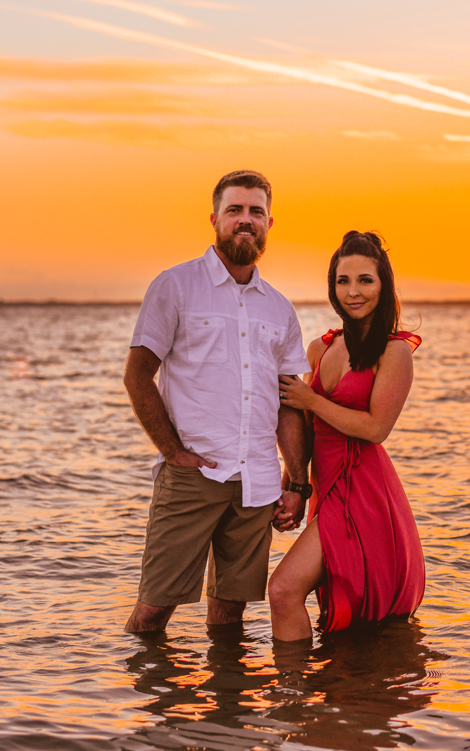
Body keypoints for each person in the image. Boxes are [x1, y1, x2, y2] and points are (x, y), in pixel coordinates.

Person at [122, 170, 312, 634]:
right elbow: (137, 376)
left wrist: (297, 481)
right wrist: (172, 453)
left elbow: (290, 402)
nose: (245, 220)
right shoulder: (176, 286)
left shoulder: (279, 307)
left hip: (257, 484)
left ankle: (230, 707)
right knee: (153, 612)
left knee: (230, 617)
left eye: (255, 212)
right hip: (194, 476)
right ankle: (147, 702)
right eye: (235, 210)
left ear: (269, 223)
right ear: (214, 219)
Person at [268, 231, 424, 641]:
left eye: (365, 280)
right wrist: (294, 488)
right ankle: (321, 693)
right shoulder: (321, 348)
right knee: (341, 622)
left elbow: (376, 429)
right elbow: (301, 424)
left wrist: (312, 400)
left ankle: (291, 698)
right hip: (325, 484)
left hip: (364, 490)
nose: (353, 292)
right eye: (343, 281)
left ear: (383, 285)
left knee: (283, 590)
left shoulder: (396, 352)